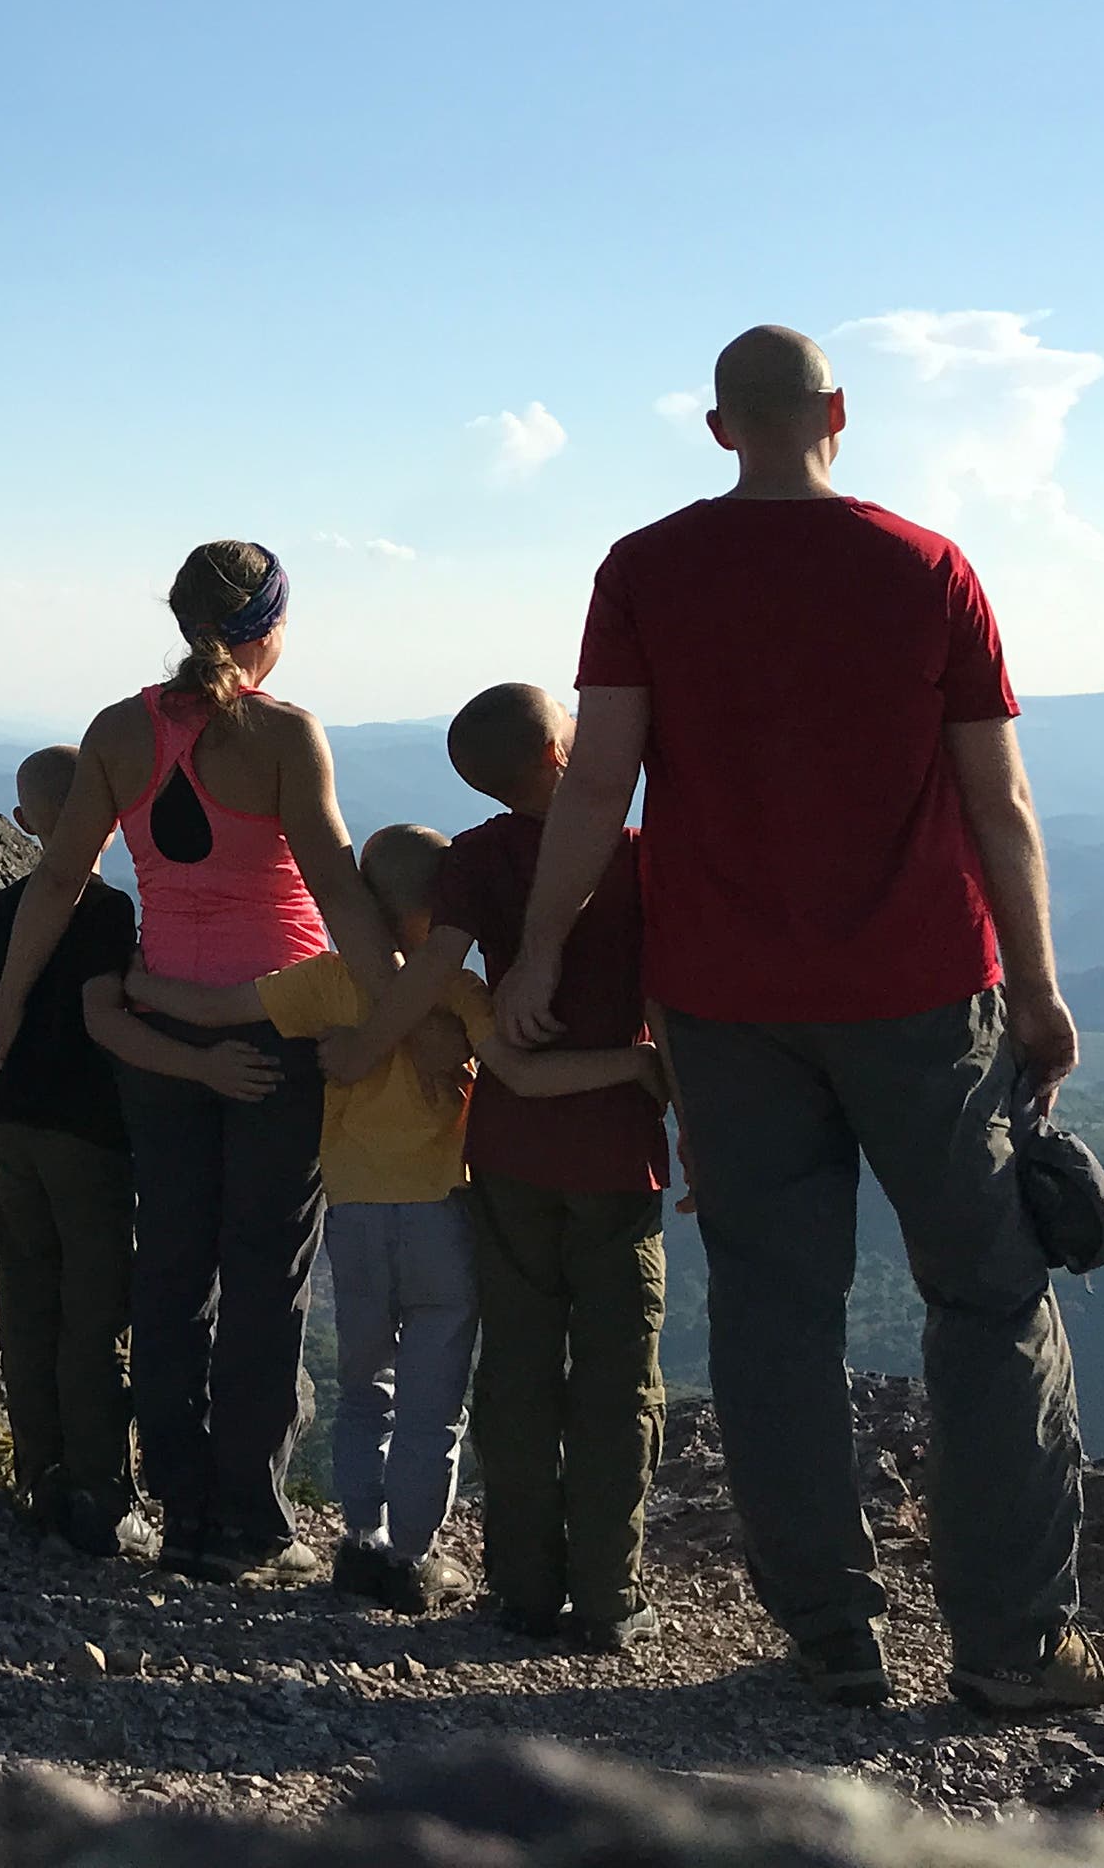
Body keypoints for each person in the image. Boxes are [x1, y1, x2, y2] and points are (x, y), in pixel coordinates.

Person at [496, 324, 1104, 1715]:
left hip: (725, 1005)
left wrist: (540, 950)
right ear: (838, 411)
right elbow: (998, 799)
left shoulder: (645, 570)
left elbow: (598, 783)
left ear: (718, 427)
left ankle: (831, 1638)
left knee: (774, 1312)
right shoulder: (927, 569)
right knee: (988, 1297)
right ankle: (1014, 1647)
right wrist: (1037, 988)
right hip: (922, 994)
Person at [0, 539, 402, 1583]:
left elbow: (59, 879)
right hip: (275, 1029)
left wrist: (8, 1002)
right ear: (269, 626)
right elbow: (338, 888)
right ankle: (246, 1522)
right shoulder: (285, 734)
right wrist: (406, 1009)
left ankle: (180, 1508)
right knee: (265, 1273)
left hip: (160, 1032)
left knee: (169, 1268)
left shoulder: (119, 731)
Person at [102, 822, 667, 1611]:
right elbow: (521, 1076)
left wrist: (143, 985)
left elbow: (220, 1006)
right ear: (444, 912)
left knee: (367, 1389)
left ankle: (360, 1541)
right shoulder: (458, 993)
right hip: (440, 1219)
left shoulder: (324, 982)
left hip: (355, 1220)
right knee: (433, 1406)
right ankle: (412, 1556)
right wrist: (636, 1066)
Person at [435, 680, 672, 1652]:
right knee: (618, 1381)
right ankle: (609, 1596)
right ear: (557, 756)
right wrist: (689, 1119)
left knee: (518, 1369)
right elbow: (670, 1005)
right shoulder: (635, 857)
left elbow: (437, 971)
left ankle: (523, 1590)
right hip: (616, 1151)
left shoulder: (472, 858)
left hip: (507, 1147)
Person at [0, 745, 143, 1560]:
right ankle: (100, 1491)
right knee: (94, 1314)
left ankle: (39, 1473)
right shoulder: (107, 911)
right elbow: (105, 1016)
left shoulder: (4, 908)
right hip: (87, 1135)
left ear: (23, 821)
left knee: (28, 1308)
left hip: (14, 1128)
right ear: (111, 818)